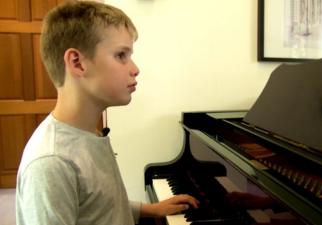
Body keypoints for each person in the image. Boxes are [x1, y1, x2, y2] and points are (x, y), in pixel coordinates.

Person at [15, 1, 199, 225]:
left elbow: (98, 204)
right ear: (77, 62)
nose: (135, 68)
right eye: (121, 55)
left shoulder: (86, 134)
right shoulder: (51, 163)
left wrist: (150, 209)